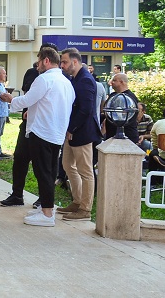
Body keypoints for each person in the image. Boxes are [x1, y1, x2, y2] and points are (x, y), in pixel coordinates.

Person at [0, 46, 74, 227]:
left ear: (46, 61)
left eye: (39, 61)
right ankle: (46, 209)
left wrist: (10, 99)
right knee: (48, 171)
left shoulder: (44, 79)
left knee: (43, 173)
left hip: (42, 132)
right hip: (56, 132)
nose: (37, 65)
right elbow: (54, 104)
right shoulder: (66, 82)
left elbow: (27, 99)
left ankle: (47, 214)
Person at [0, 42, 58, 208]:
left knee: (46, 165)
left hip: (45, 125)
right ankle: (17, 194)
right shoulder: (33, 73)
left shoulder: (56, 77)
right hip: (28, 123)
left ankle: (44, 198)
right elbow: (28, 94)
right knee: (20, 157)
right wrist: (29, 109)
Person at [57, 48, 100, 221]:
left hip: (82, 132)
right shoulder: (75, 78)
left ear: (75, 62)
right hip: (72, 132)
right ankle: (77, 201)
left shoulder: (86, 80)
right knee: (68, 165)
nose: (62, 65)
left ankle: (85, 209)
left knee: (85, 171)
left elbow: (86, 110)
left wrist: (71, 129)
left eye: (65, 62)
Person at [106, 73, 143, 149]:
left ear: (122, 82)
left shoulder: (130, 98)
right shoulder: (112, 95)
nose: (111, 82)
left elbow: (137, 115)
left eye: (114, 80)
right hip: (111, 135)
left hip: (127, 136)